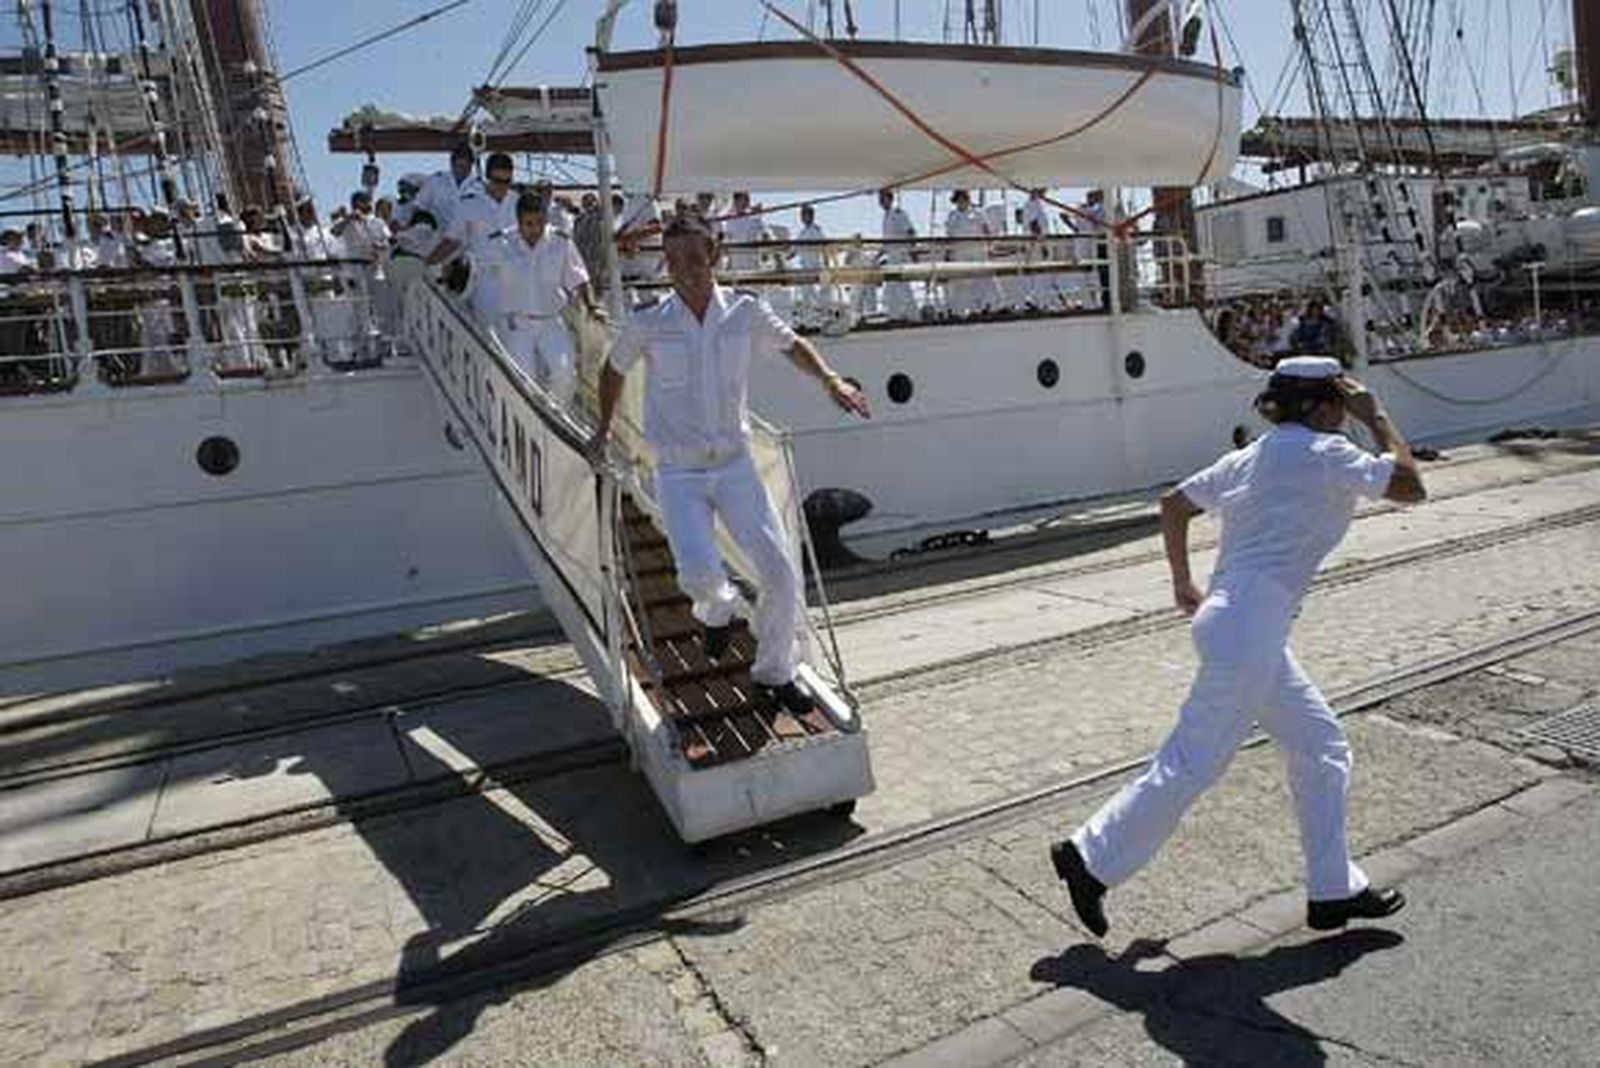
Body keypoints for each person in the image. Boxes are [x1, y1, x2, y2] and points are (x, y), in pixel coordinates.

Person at [1049, 356, 1426, 938]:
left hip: (1238, 621)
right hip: (1250, 627)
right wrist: (1377, 417)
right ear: (1328, 404)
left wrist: (1182, 582)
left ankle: (1333, 890)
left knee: (1322, 746)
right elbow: (1411, 486)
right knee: (1193, 761)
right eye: (1340, 402)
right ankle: (1089, 857)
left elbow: (1173, 505)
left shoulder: (1254, 455)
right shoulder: (1326, 454)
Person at [588, 213, 871, 710]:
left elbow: (794, 346)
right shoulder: (650, 323)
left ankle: (774, 673)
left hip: (735, 466)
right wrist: (603, 428)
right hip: (678, 471)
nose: (685, 270)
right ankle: (716, 612)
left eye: (695, 259)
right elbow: (612, 369)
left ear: (714, 256)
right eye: (674, 262)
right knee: (699, 575)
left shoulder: (745, 313)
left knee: (782, 575)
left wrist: (832, 380)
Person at [490, 191, 603, 406]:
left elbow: (578, 277)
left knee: (565, 374)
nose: (535, 230)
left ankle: (554, 414)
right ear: (518, 221)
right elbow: (480, 271)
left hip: (551, 321)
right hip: (517, 323)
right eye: (528, 224)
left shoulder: (560, 241)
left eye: (540, 223)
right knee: (523, 381)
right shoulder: (501, 243)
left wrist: (591, 306)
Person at [415, 143, 481, 235]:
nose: (461, 170)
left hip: (467, 241)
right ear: (452, 163)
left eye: (465, 166)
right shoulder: (435, 181)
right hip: (436, 238)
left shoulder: (481, 187)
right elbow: (419, 207)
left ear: (471, 165)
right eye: (459, 165)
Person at [877, 188, 918, 321]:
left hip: (900, 256)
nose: (880, 202)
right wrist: (876, 257)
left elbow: (911, 232)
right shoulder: (886, 216)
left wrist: (912, 252)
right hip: (892, 257)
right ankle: (895, 315)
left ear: (889, 199)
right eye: (880, 200)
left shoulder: (899, 213)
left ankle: (912, 316)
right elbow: (886, 241)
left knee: (903, 288)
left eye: (882, 199)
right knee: (892, 289)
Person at [722, 191, 769, 276]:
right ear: (735, 202)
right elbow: (726, 242)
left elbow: (766, 235)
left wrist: (765, 252)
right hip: (735, 267)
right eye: (743, 200)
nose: (746, 202)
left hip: (753, 266)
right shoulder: (728, 221)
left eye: (747, 200)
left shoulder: (755, 219)